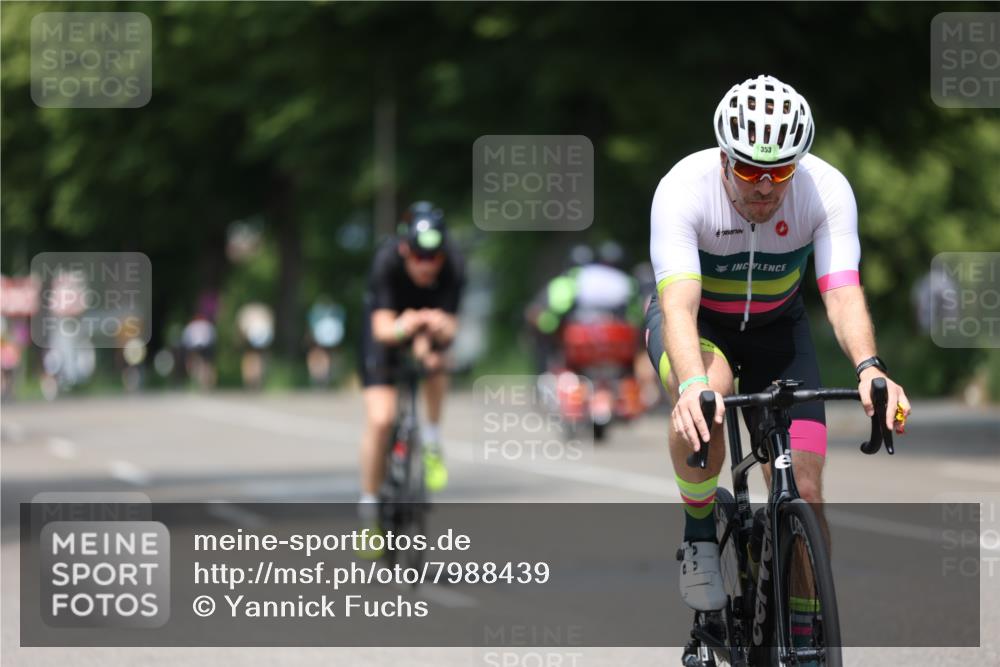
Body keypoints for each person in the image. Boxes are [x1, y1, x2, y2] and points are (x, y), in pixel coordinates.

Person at [644, 75, 911, 620]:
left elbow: (842, 290)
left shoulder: (825, 188)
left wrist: (869, 367)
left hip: (778, 330)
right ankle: (699, 534)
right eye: (749, 170)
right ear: (724, 159)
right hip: (701, 326)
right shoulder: (682, 188)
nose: (765, 186)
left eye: (781, 171)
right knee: (710, 394)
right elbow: (679, 306)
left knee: (805, 491)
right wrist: (692, 386)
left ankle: (808, 628)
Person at [356, 201, 465, 555]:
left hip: (425, 332)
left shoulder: (453, 264)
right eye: (419, 257)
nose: (427, 265)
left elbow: (451, 327)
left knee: (437, 361)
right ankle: (369, 510)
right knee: (381, 418)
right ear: (405, 249)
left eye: (434, 257)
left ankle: (431, 439)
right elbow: (383, 329)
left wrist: (435, 328)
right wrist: (410, 324)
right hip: (387, 331)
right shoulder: (386, 262)